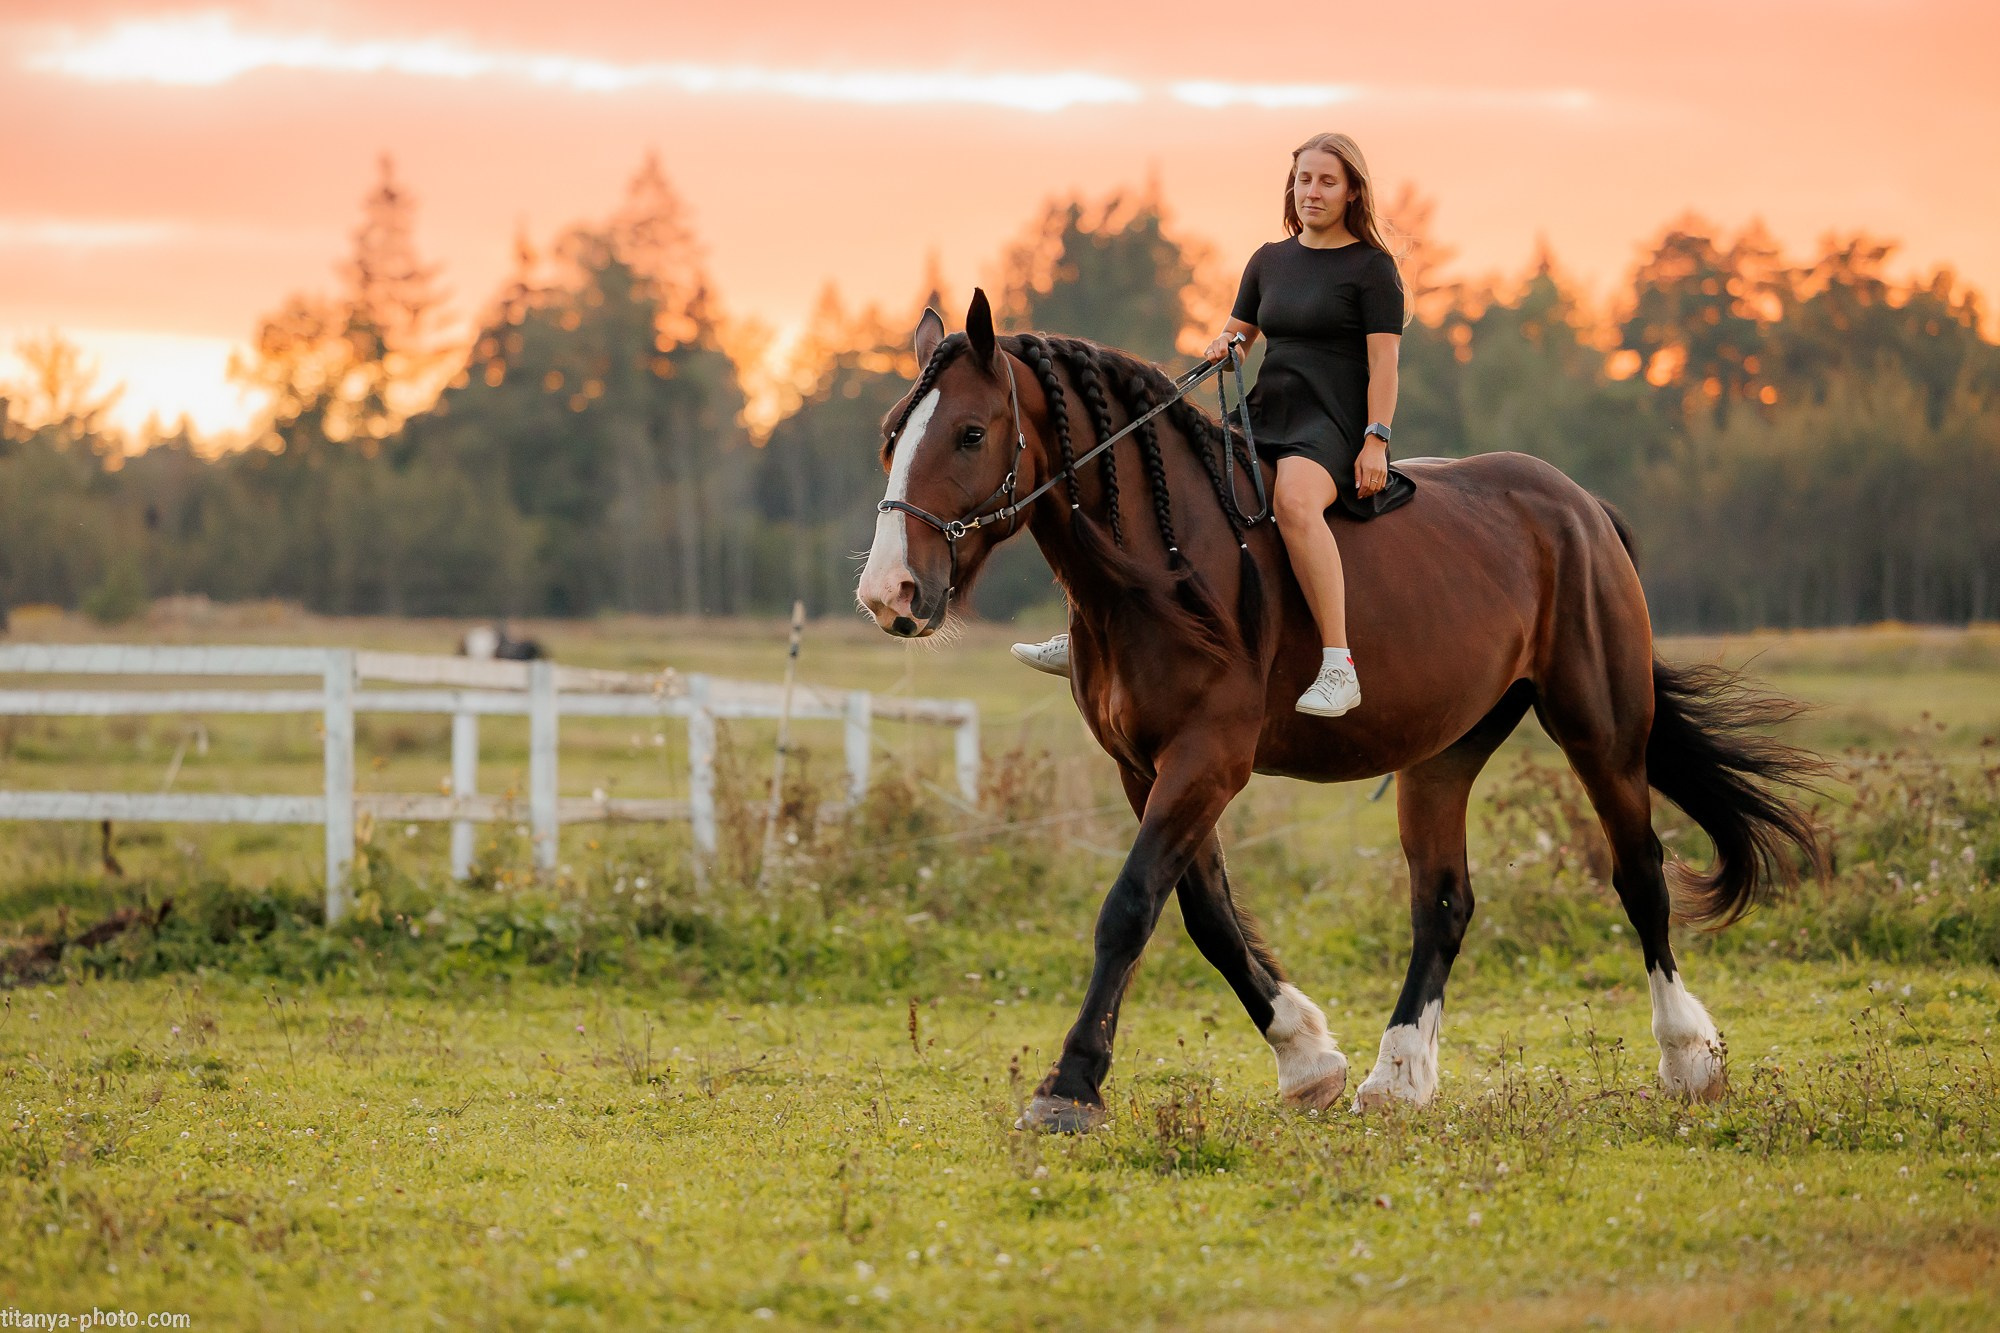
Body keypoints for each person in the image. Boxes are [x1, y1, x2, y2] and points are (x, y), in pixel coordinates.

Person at [1012, 131, 1413, 717]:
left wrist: (1376, 437)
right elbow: (1238, 334)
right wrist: (1225, 344)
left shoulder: (1373, 270)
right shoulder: (1269, 261)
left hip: (1333, 422)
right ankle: (1085, 635)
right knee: (1163, 492)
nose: (1312, 192)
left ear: (1352, 191)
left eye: (1327, 181)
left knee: (1298, 504)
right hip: (1265, 411)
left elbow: (1384, 366)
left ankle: (1337, 663)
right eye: (1304, 179)